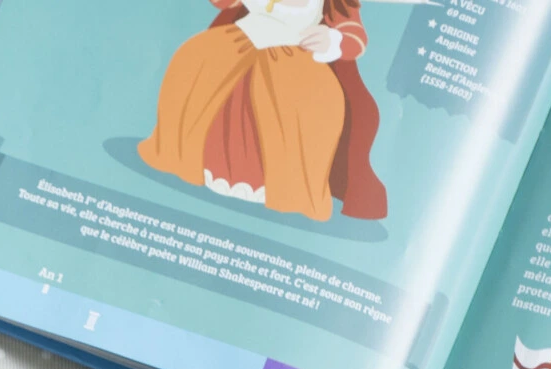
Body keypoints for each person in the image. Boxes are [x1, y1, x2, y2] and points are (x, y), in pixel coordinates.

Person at [137, 0, 387, 222]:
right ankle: (191, 158)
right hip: (237, 41)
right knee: (194, 60)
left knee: (299, 105)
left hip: (293, 59)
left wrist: (332, 40)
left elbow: (353, 34)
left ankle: (277, 187)